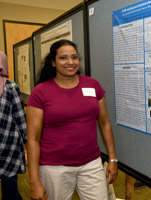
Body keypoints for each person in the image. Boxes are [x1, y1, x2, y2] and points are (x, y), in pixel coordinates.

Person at [26, 39, 118, 200]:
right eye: (63, 58)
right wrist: (34, 181)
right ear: (53, 62)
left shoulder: (92, 85)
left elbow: (104, 123)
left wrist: (112, 159)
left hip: (91, 163)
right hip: (54, 167)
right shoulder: (40, 92)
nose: (70, 62)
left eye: (74, 57)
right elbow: (33, 139)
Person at [0, 51, 27, 200]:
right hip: (9, 143)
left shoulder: (10, 87)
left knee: (10, 185)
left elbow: (19, 115)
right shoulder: (10, 86)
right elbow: (20, 116)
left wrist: (27, 140)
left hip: (9, 145)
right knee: (10, 183)